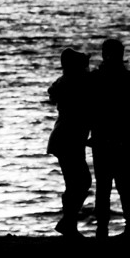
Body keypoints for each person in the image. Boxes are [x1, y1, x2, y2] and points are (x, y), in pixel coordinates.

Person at [89, 38, 130, 239]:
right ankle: (128, 228)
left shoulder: (96, 78)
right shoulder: (128, 78)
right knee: (121, 183)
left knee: (105, 185)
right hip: (124, 136)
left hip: (104, 136)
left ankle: (103, 230)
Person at [46, 48, 93, 237]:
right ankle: (68, 223)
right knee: (81, 182)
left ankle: (69, 224)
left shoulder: (66, 82)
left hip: (66, 137)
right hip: (68, 138)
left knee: (75, 183)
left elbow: (53, 91)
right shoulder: (76, 82)